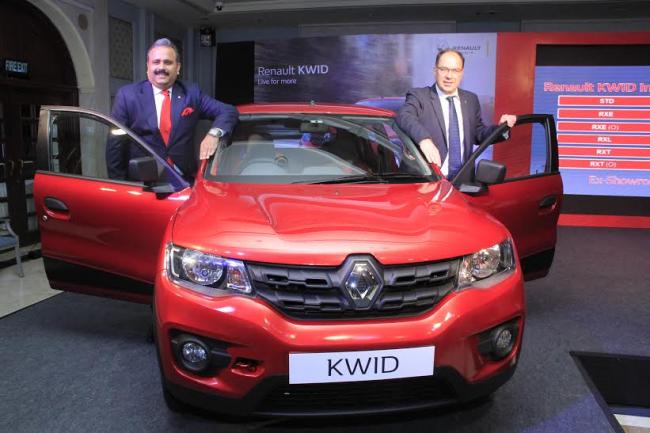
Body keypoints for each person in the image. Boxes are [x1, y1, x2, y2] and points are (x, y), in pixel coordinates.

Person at [107, 38, 238, 181]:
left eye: (168, 62)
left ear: (178, 67)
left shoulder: (191, 93)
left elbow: (228, 111)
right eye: (156, 62)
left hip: (184, 181)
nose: (161, 67)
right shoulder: (127, 96)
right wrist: (118, 183)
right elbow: (115, 144)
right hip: (143, 183)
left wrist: (214, 134)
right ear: (148, 66)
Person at [396, 48, 516, 179]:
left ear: (461, 73)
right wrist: (424, 140)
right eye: (443, 69)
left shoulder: (471, 99)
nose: (449, 76)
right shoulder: (419, 96)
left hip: (462, 181)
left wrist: (502, 128)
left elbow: (478, 134)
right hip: (429, 181)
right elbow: (404, 115)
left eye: (455, 70)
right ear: (435, 71)